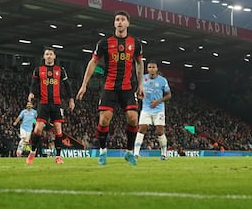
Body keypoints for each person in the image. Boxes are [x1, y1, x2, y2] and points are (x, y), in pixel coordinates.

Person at [76, 11, 144, 166]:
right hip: (110, 86)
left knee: (133, 119)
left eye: (123, 20)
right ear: (114, 24)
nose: (120, 22)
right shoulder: (104, 43)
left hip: (128, 87)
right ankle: (102, 152)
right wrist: (84, 84)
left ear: (128, 23)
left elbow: (139, 64)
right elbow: (93, 63)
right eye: (117, 20)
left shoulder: (136, 43)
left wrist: (140, 84)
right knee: (104, 120)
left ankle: (129, 152)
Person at [26, 48, 75, 165]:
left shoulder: (60, 70)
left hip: (57, 104)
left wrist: (71, 99)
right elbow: (34, 84)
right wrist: (31, 93)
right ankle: (32, 152)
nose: (48, 56)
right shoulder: (38, 70)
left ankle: (58, 156)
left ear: (54, 56)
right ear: (44, 57)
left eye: (50, 54)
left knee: (58, 129)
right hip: (43, 103)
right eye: (47, 54)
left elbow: (67, 85)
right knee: (38, 129)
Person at [132, 60, 171, 161]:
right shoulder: (143, 79)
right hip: (146, 109)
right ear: (147, 69)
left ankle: (163, 154)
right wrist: (138, 97)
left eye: (153, 67)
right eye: (149, 67)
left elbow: (168, 95)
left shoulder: (162, 81)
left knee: (159, 131)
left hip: (159, 109)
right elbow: (138, 92)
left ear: (157, 69)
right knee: (141, 129)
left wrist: (158, 101)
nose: (151, 69)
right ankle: (136, 153)